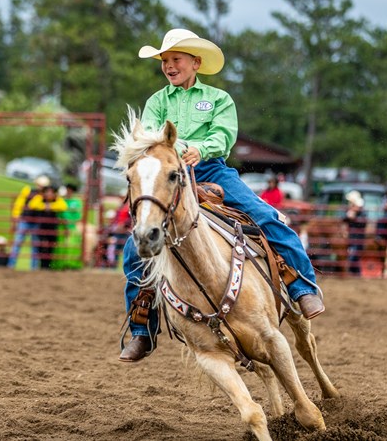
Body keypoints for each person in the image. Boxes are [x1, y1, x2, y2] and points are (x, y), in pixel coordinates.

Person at [119, 28, 325, 363]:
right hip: (169, 176)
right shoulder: (157, 101)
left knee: (265, 216)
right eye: (165, 61)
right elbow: (150, 137)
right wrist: (177, 150)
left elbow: (224, 135)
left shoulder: (218, 99)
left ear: (195, 63)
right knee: (135, 249)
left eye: (176, 59)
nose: (169, 66)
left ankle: (302, 287)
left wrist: (201, 148)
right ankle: (143, 329)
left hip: (212, 171)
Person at [8, 176, 50, 269]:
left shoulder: (45, 196)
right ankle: (11, 265)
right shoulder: (28, 190)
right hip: (25, 220)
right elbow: (20, 203)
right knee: (18, 242)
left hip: (36, 222)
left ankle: (33, 267)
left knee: (34, 245)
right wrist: (16, 215)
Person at [27, 185, 68, 269]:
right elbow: (32, 205)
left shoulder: (57, 200)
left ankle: (47, 266)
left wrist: (50, 206)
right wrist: (44, 206)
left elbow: (63, 206)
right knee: (41, 246)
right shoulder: (40, 199)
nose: (49, 194)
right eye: (47, 192)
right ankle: (42, 265)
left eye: (51, 192)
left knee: (51, 247)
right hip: (41, 227)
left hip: (52, 228)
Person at [343, 190, 367, 276]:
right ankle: (357, 275)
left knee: (353, 258)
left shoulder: (362, 213)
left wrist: (354, 218)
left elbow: (363, 223)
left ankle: (355, 274)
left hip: (358, 239)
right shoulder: (350, 212)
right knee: (354, 259)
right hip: (352, 238)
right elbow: (343, 219)